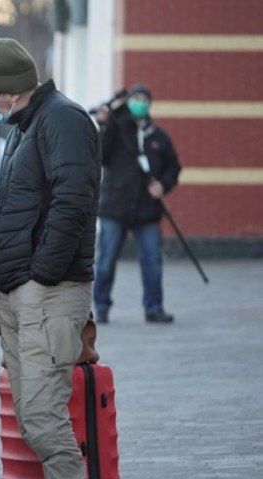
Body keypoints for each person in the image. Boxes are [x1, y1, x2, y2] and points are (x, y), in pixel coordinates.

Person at [0, 38, 100, 479]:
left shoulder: (63, 120)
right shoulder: (28, 124)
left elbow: (75, 200)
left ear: (6, 89)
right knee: (29, 411)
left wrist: (42, 271)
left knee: (44, 412)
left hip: (48, 289)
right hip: (23, 289)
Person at [93, 84, 182, 324]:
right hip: (115, 206)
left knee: (152, 260)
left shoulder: (158, 136)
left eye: (144, 99)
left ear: (150, 104)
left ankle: (154, 307)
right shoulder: (117, 130)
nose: (139, 103)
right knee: (106, 261)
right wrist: (104, 124)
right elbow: (101, 155)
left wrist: (163, 185)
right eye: (135, 99)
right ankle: (100, 307)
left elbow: (173, 166)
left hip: (147, 210)